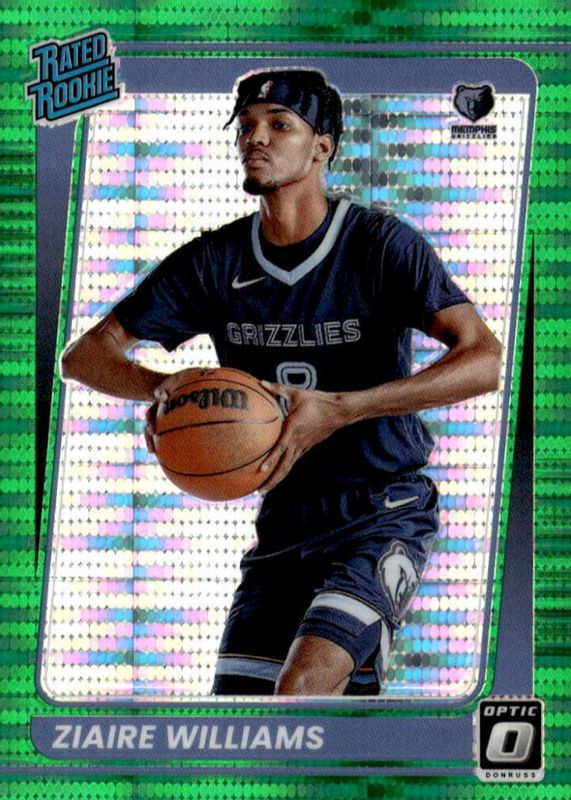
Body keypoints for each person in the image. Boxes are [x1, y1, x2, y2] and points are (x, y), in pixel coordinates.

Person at [61, 67, 502, 697]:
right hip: (284, 520)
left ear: (322, 146)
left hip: (380, 509)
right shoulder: (214, 260)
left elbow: (484, 359)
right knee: (245, 722)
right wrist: (166, 388)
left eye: (278, 124)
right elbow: (85, 356)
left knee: (302, 688)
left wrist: (343, 408)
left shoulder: (379, 244)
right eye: (245, 126)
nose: (255, 138)